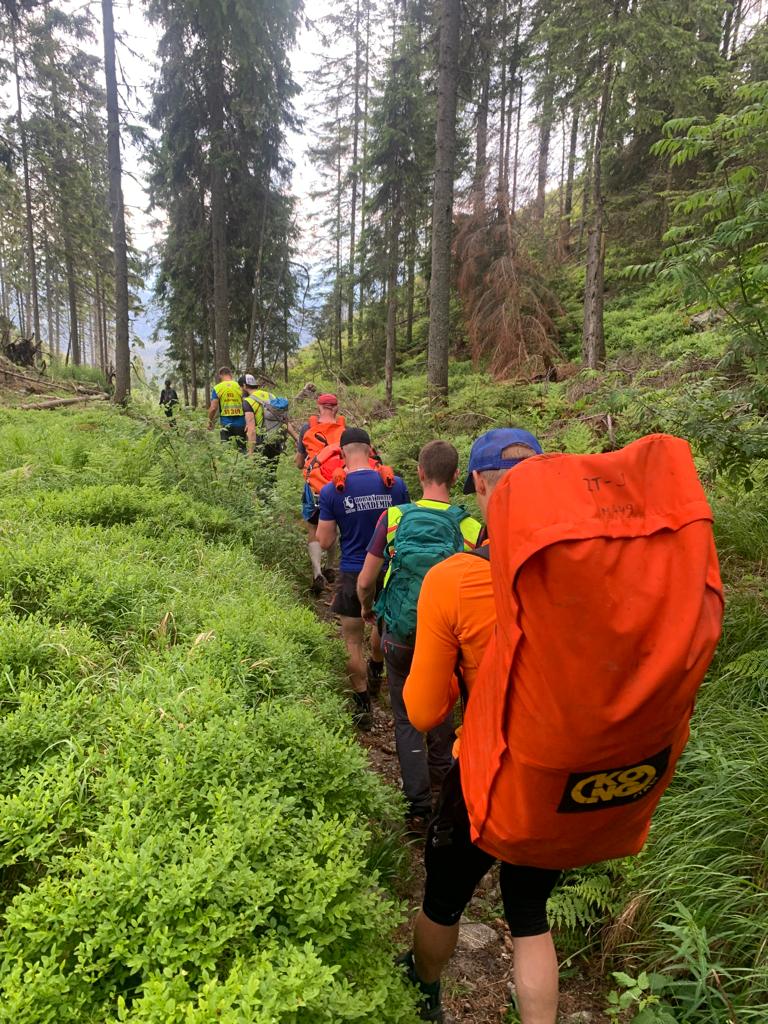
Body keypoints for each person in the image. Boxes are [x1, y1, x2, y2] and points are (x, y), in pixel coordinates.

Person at [400, 428, 552, 1024]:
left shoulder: (455, 578)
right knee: (530, 915)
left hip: (485, 771)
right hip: (558, 772)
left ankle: (424, 995)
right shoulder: (577, 569)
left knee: (443, 900)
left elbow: (422, 713)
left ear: (480, 486)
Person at [357, 440, 481, 831]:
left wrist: (367, 609)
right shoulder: (471, 527)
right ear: (456, 476)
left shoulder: (394, 518)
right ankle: (444, 791)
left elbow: (366, 581)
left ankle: (417, 807)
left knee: (406, 716)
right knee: (442, 707)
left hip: (398, 633)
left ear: (420, 473)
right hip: (448, 637)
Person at [316, 427, 409, 730]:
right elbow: (405, 529)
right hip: (390, 570)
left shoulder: (332, 491)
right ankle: (377, 669)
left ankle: (362, 705)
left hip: (353, 571)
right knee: (381, 625)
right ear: (370, 451)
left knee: (352, 640)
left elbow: (325, 541)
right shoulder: (395, 486)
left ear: (342, 454)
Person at [296, 393, 346, 593]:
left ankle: (317, 572)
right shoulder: (345, 430)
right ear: (336, 408)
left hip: (314, 486)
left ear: (319, 407)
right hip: (339, 484)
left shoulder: (307, 429)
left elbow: (299, 462)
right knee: (334, 526)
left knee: (313, 528)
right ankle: (330, 566)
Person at [241, 373, 288, 475]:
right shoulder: (271, 396)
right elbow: (282, 419)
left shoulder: (248, 401)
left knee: (260, 476)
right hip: (276, 439)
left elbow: (252, 431)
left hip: (261, 442)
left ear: (244, 386)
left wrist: (250, 453)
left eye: (240, 387)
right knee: (272, 474)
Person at [208, 367, 254, 450]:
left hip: (225, 423)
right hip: (240, 422)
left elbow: (213, 408)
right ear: (230, 374)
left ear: (220, 375)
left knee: (226, 450)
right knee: (242, 448)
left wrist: (210, 422)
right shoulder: (239, 386)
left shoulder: (217, 388)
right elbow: (247, 403)